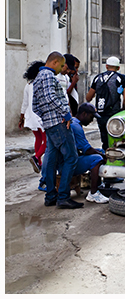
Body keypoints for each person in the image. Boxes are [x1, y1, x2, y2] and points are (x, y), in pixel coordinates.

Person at [32, 51, 82, 209]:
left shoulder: (37, 78)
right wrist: (65, 114)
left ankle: (51, 196)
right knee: (71, 158)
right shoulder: (48, 76)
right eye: (61, 65)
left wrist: (46, 118)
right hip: (59, 123)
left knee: (52, 160)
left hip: (50, 123)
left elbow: (35, 105)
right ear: (53, 62)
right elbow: (50, 98)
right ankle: (63, 197)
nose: (62, 69)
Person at [86, 56, 125, 149]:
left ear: (106, 66)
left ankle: (105, 156)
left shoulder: (97, 78)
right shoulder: (122, 78)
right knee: (115, 139)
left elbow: (88, 97)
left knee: (104, 139)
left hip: (100, 114)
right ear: (118, 68)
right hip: (114, 113)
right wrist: (123, 109)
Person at [71, 103, 109, 204]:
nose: (92, 120)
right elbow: (86, 149)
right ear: (84, 114)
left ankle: (98, 184)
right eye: (91, 117)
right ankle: (93, 193)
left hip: (72, 157)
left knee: (100, 152)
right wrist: (103, 156)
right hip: (70, 163)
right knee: (97, 158)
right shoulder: (76, 127)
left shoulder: (74, 122)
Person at [20, 60, 46, 173]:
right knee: (47, 140)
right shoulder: (41, 83)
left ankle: (38, 162)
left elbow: (24, 103)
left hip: (30, 116)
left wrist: (21, 118)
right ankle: (36, 157)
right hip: (40, 116)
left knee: (38, 139)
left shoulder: (28, 85)